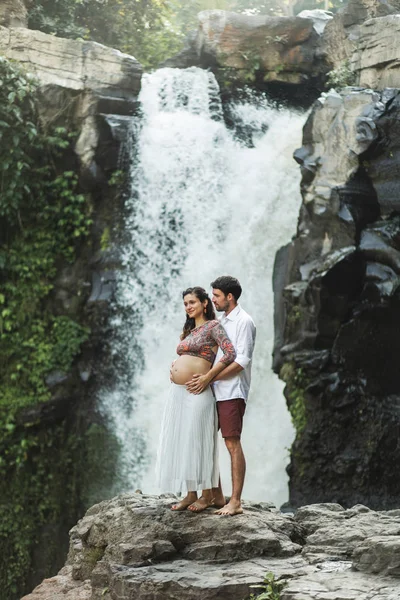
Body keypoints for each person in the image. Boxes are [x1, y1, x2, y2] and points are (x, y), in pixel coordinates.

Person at [156, 286, 236, 512]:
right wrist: (175, 366)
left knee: (198, 439)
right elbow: (186, 357)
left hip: (198, 391)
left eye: (192, 302)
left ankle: (208, 495)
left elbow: (230, 353)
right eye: (185, 304)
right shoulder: (189, 331)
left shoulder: (213, 326)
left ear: (204, 303)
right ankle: (190, 494)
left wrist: (208, 377)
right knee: (184, 441)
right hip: (179, 393)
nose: (188, 307)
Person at [186, 276, 256, 516]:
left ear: (230, 297)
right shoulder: (221, 320)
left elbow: (241, 361)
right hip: (212, 391)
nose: (212, 299)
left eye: (216, 296)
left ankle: (235, 501)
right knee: (204, 440)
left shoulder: (244, 321)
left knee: (231, 442)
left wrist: (210, 378)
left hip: (232, 392)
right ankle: (216, 494)